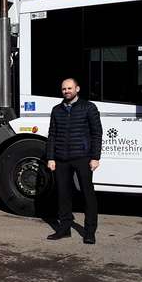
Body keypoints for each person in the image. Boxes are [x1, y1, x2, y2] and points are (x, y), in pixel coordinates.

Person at [46, 78, 103, 244]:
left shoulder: (89, 107)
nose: (66, 91)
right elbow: (52, 135)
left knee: (87, 194)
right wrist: (51, 157)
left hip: (83, 157)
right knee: (63, 195)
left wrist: (95, 157)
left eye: (69, 88)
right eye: (64, 89)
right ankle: (64, 229)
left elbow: (96, 133)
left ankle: (90, 231)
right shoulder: (57, 110)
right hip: (61, 159)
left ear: (77, 89)